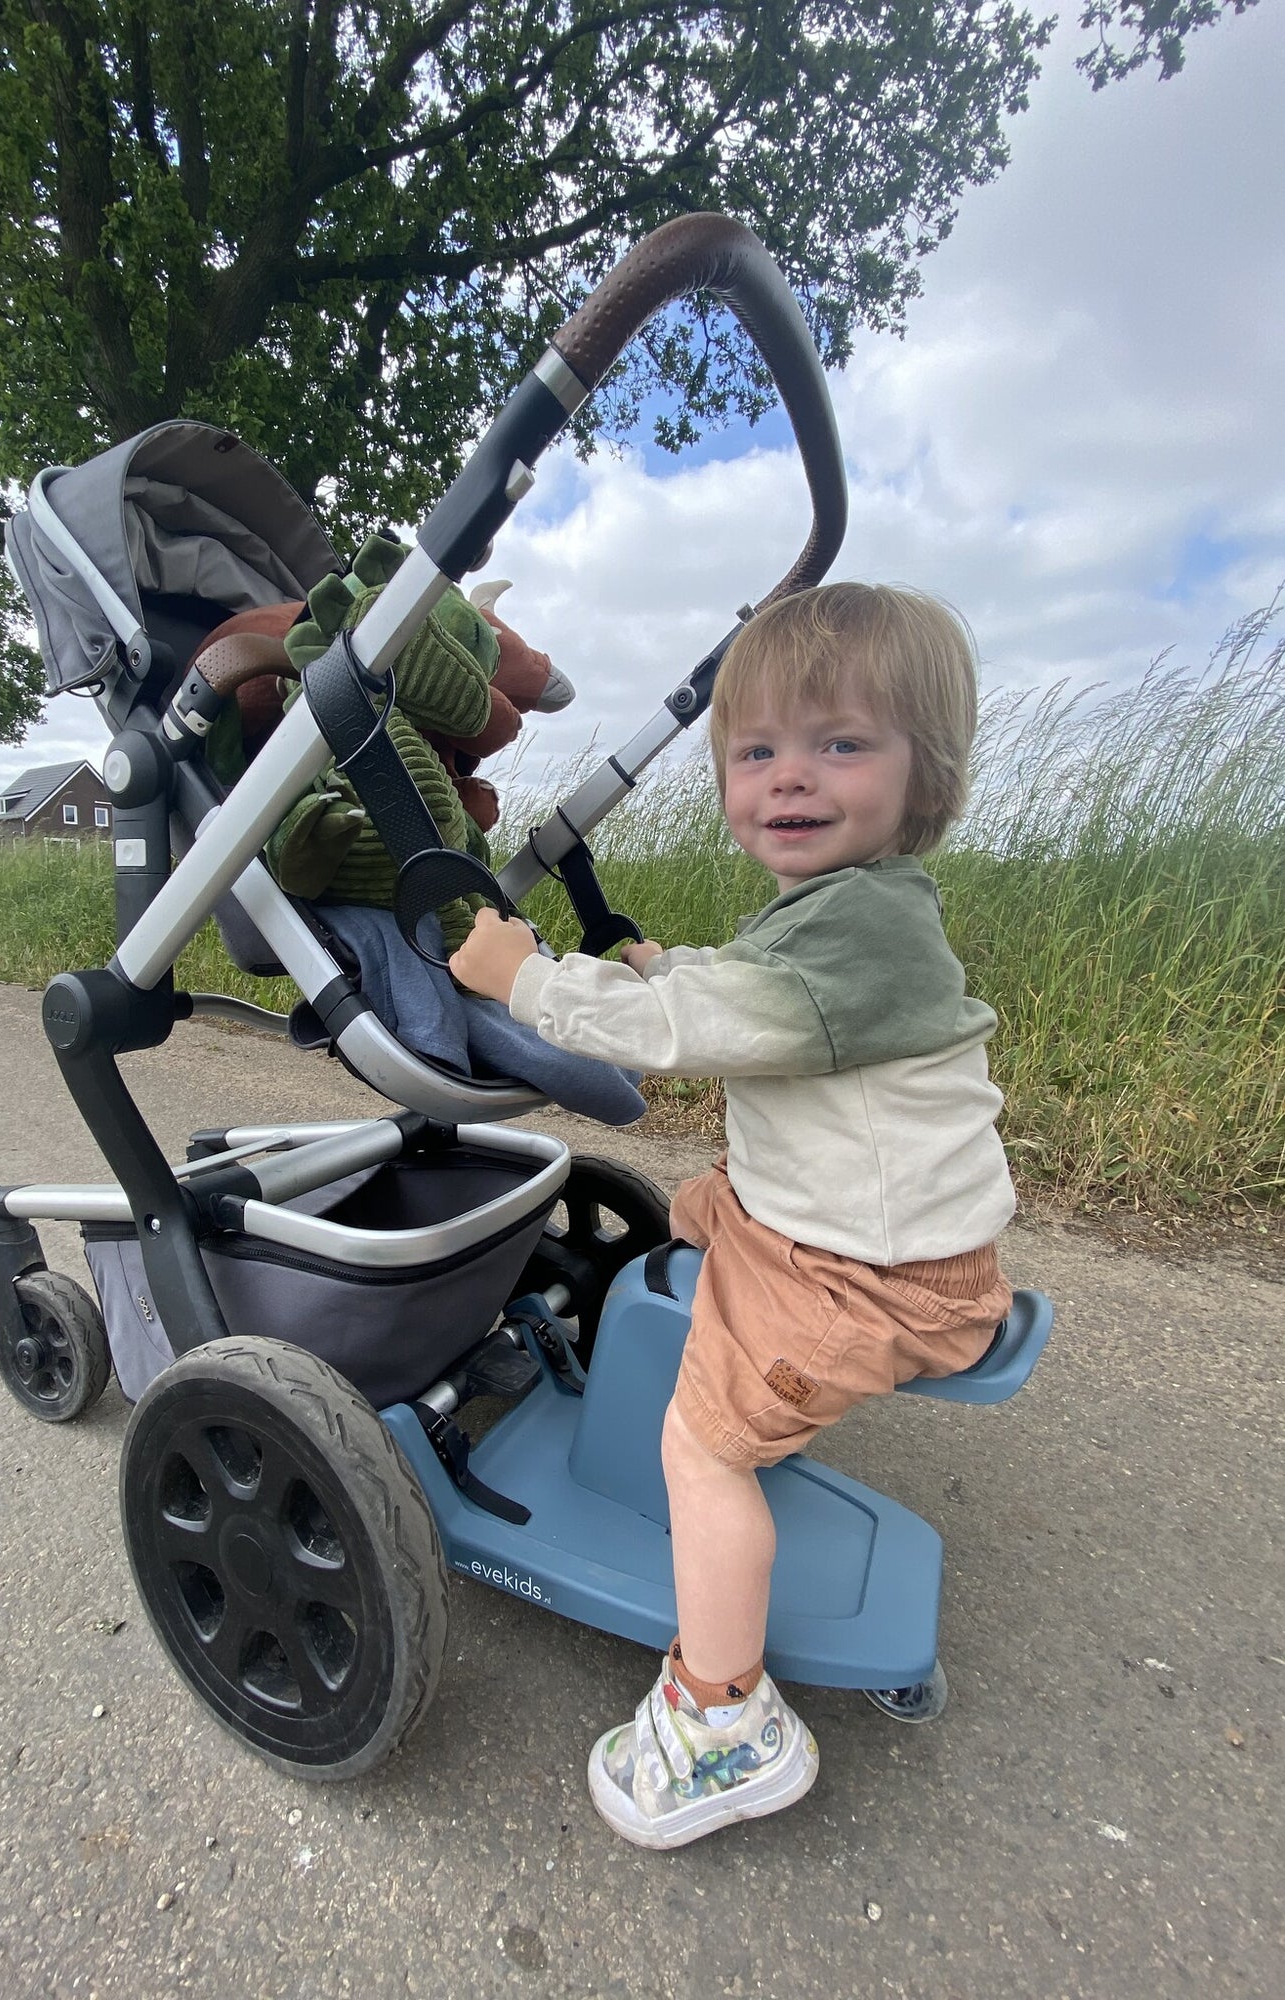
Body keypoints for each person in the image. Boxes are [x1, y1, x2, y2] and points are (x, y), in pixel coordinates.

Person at [448, 581, 1016, 1850]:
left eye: (840, 743)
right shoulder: (855, 909)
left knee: (700, 1446)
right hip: (856, 1220)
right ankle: (723, 1256)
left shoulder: (857, 932)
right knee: (702, 1206)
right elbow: (746, 988)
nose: (790, 778)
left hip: (873, 1273)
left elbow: (685, 1040)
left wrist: (526, 978)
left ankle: (723, 1721)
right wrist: (664, 962)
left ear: (925, 774)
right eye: (757, 750)